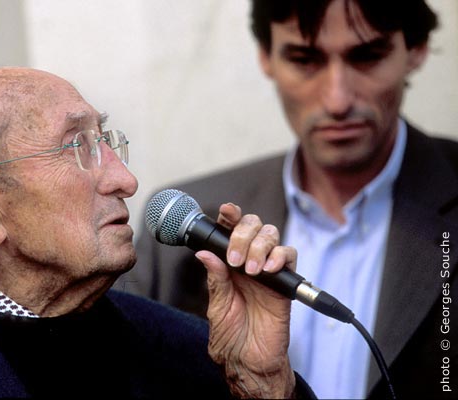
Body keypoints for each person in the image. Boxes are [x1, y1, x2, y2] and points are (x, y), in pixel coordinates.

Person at [0, 67, 315, 399]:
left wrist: (265, 385)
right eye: (77, 146)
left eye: (107, 141)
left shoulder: (195, 351)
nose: (125, 180)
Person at [119, 0, 458, 398]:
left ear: (416, 51)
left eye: (367, 56)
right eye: (304, 59)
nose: (337, 100)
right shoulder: (185, 224)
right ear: (266, 57)